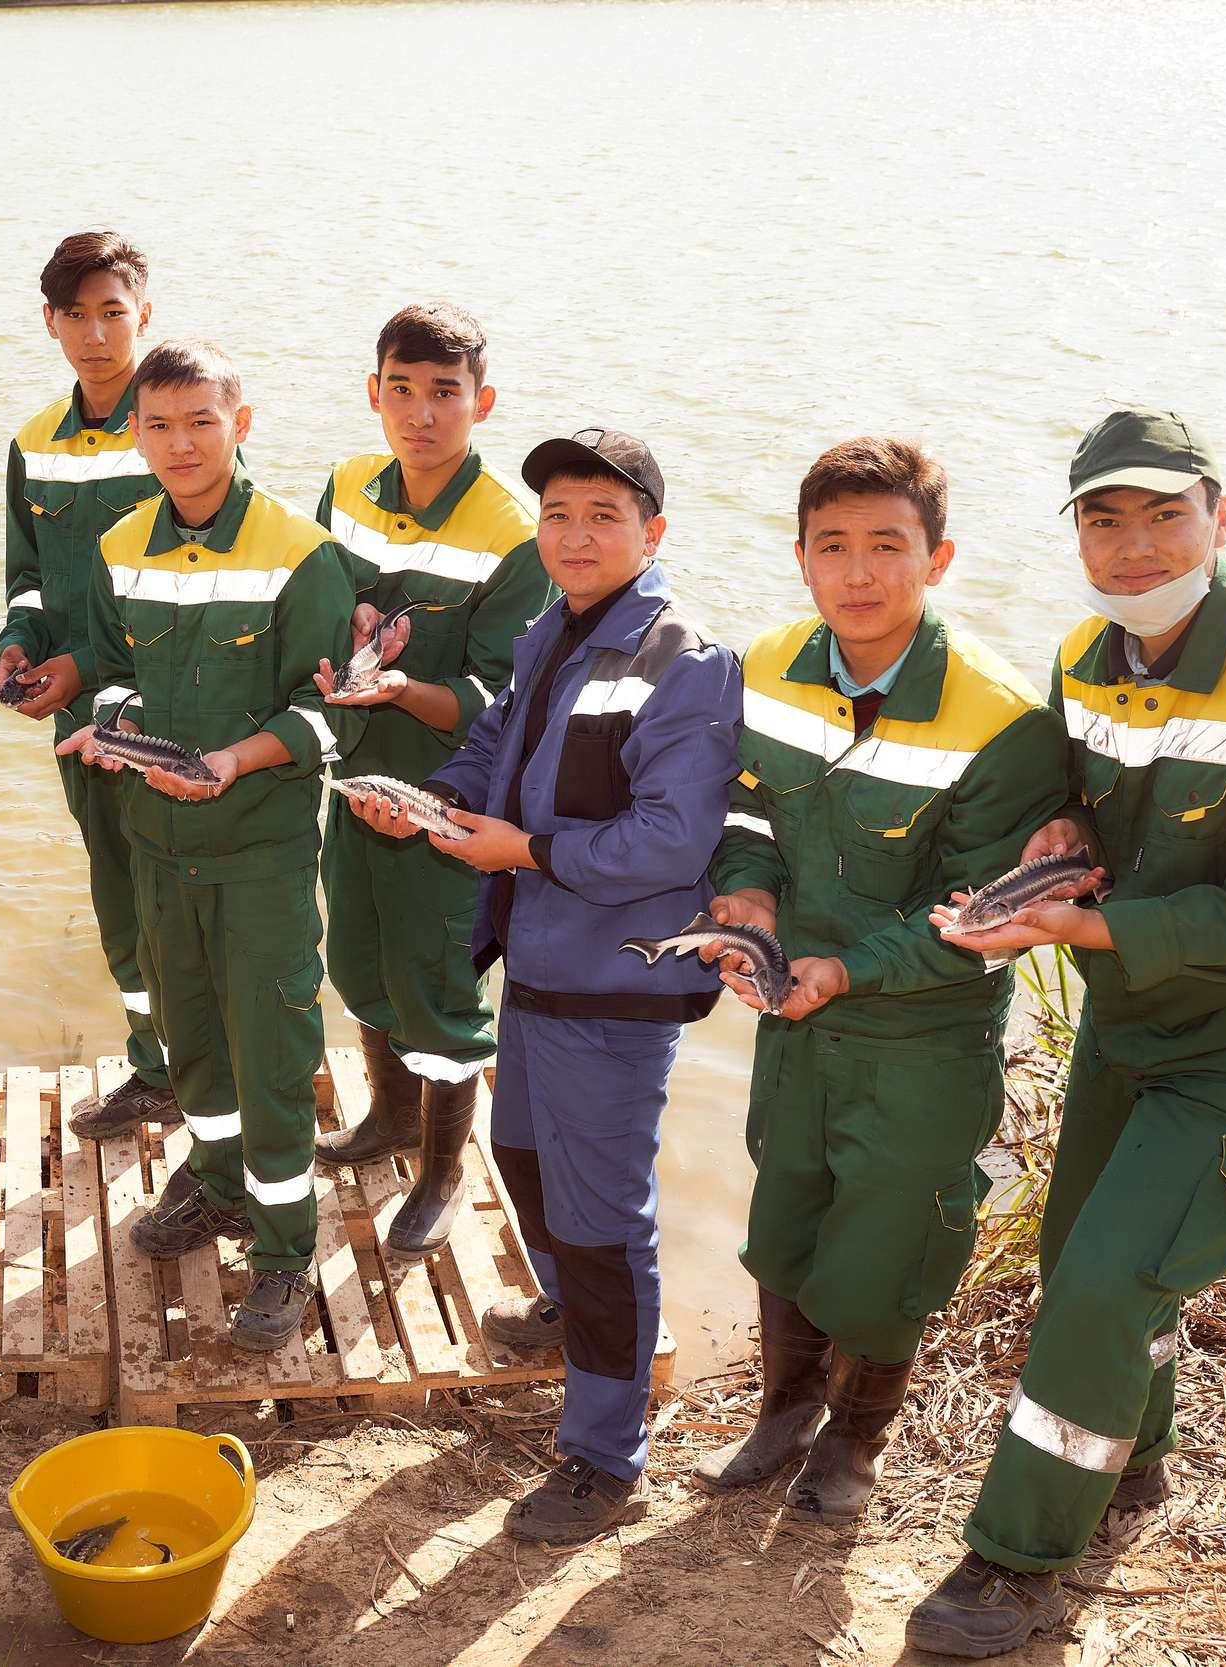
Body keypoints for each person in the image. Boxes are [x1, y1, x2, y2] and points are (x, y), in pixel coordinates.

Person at [903, 411, 1226, 1657]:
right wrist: (1061, 834)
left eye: (1164, 515)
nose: (1133, 546)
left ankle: (1017, 1559)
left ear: (1219, 518)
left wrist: (1077, 928)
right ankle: (1135, 1456)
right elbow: (1091, 801)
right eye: (1103, 517)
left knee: (1107, 1279)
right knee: (1083, 1252)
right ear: (1076, 532)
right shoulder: (1088, 654)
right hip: (1128, 1026)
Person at [349, 428, 741, 1542]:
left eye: (603, 516)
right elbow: (490, 747)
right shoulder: (548, 631)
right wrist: (427, 803)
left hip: (617, 982)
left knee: (604, 1218)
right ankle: (568, 1309)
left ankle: (605, 1456)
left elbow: (671, 840)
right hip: (538, 963)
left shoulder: (686, 661)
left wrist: (523, 851)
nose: (575, 536)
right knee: (521, 1155)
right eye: (557, 515)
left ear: (652, 534)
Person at [694, 438, 1065, 1523]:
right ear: (801, 557)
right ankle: (782, 1412)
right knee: (784, 1218)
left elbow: (982, 915)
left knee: (890, 1245)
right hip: (795, 1019)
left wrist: (849, 968)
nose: (859, 573)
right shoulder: (769, 664)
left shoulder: (1002, 716)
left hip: (921, 1038)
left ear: (938, 558)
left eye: (888, 546)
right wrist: (748, 892)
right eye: (833, 545)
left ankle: (857, 1438)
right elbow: (747, 810)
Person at [55, 338, 359, 1352]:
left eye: (201, 421)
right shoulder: (120, 545)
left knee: (270, 1053)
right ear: (134, 433)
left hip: (260, 853)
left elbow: (327, 713)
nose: (180, 443)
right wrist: (117, 727)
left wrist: (232, 760)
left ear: (241, 423)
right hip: (156, 844)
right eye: (159, 424)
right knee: (191, 1043)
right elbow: (110, 670)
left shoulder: (299, 551)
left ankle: (284, 1248)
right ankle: (221, 1184)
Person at [307, 302, 551, 1257]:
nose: (421, 414)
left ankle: (444, 1172)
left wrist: (403, 688)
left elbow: (497, 700)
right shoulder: (344, 487)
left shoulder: (514, 534)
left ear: (481, 403)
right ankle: (389, 1117)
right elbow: (317, 604)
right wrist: (344, 636)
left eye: (445, 393)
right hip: (353, 780)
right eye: (401, 390)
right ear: (374, 393)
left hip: (445, 800)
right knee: (360, 953)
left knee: (439, 980)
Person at [0, 232, 175, 1139]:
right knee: (118, 900)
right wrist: (18, 642)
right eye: (76, 314)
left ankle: (212, 1074)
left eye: (113, 312)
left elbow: (214, 581)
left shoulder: (178, 426)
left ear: (145, 314)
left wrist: (88, 664)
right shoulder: (34, 443)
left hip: (173, 717)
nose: (96, 335)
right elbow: (30, 576)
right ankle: (156, 1068)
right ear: (50, 322)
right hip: (78, 724)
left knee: (179, 902)